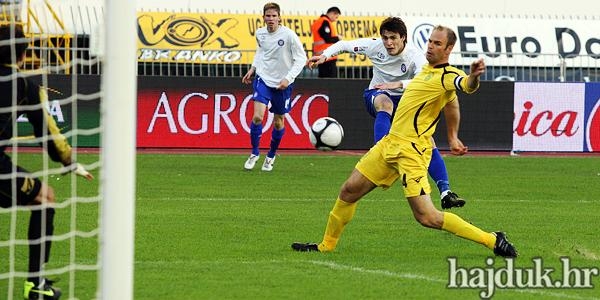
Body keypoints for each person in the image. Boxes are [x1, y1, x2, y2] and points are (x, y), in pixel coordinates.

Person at [292, 25, 518, 258]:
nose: (431, 46)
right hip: (389, 144)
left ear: (449, 48)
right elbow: (452, 104)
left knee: (427, 217)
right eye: (430, 41)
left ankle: (492, 239)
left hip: (411, 152)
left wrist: (472, 77)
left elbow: (466, 87)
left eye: (437, 43)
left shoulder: (449, 75)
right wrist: (452, 136)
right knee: (349, 191)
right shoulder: (425, 70)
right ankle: (325, 246)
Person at [309, 17, 467, 209]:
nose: (388, 43)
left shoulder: (415, 57)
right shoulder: (374, 47)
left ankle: (446, 192)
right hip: (376, 94)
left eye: (393, 38)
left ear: (403, 38)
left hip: (405, 102)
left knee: (427, 139)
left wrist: (398, 84)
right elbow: (344, 45)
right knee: (385, 103)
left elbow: (423, 82)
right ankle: (381, 152)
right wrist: (325, 55)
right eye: (385, 38)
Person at [0, 24, 94, 300]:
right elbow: (46, 132)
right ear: (22, 54)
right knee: (45, 198)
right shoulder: (24, 84)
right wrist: (68, 161)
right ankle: (36, 285)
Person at [242, 2, 307, 172]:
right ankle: (254, 153)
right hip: (263, 79)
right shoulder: (260, 34)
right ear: (263, 17)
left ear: (279, 18)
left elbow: (301, 59)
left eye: (274, 16)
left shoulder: (289, 36)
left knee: (279, 122)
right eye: (268, 16)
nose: (271, 19)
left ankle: (270, 156)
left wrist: (288, 78)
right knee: (257, 117)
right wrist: (253, 68)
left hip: (282, 84)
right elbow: (261, 52)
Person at [311, 6, 341, 78]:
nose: (335, 20)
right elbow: (327, 38)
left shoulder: (318, 21)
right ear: (333, 13)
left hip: (322, 56)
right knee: (330, 81)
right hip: (327, 56)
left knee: (323, 80)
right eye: (336, 17)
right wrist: (338, 38)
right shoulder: (325, 22)